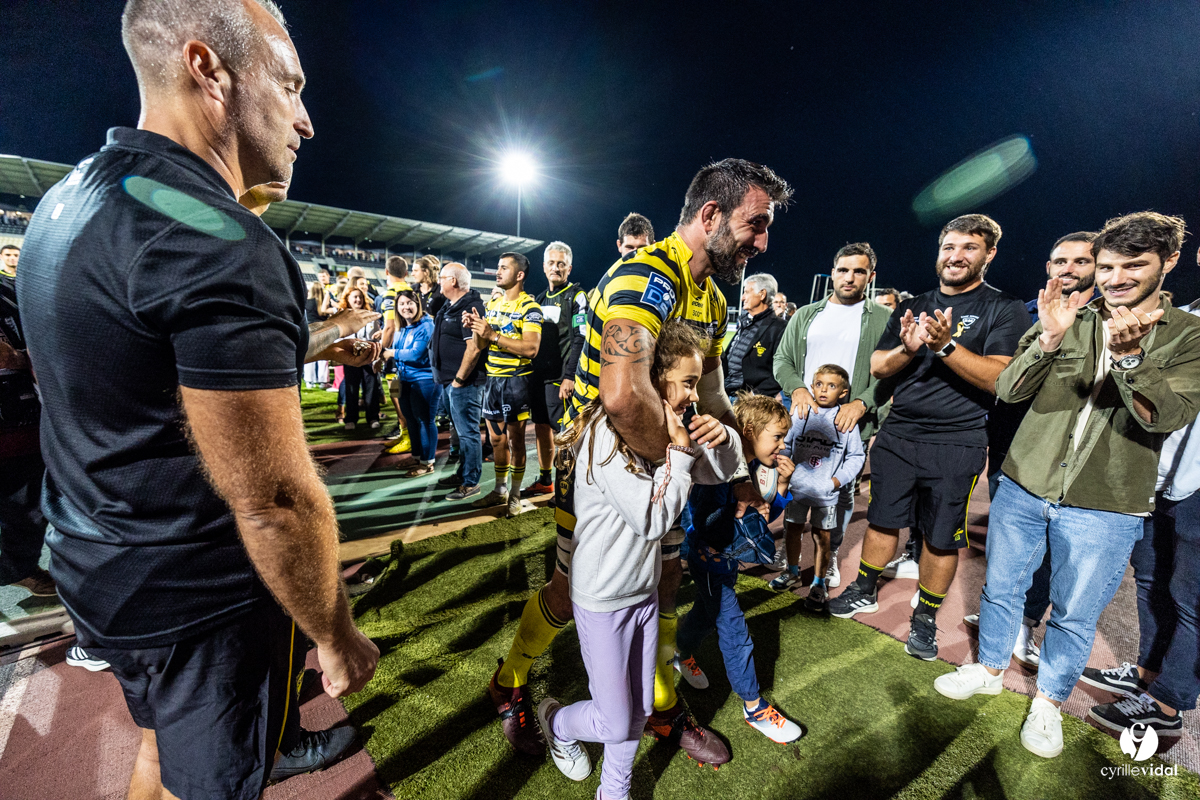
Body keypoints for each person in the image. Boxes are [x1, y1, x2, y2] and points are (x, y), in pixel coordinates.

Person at [16, 3, 380, 797]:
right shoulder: (220, 243)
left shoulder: (73, 196)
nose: (307, 121)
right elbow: (275, 501)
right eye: (290, 85)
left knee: (159, 749)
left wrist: (317, 340)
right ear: (208, 69)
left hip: (99, 563)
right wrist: (335, 633)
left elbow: (151, 353)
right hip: (197, 600)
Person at [489, 158, 792, 767]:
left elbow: (714, 398)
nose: (762, 242)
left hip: (662, 468)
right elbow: (624, 398)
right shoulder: (646, 274)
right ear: (711, 215)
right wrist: (680, 467)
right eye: (755, 224)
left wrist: (737, 476)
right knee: (571, 593)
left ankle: (661, 704)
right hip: (598, 470)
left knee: (665, 583)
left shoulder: (711, 298)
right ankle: (510, 680)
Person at [934, 211, 1200, 759]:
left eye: (1133, 265)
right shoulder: (1070, 312)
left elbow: (1168, 417)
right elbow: (1010, 388)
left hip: (1108, 501)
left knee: (1075, 613)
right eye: (1107, 266)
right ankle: (989, 669)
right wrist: (1049, 339)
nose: (1115, 278)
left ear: (1169, 262)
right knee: (1001, 588)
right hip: (1025, 480)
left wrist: (1130, 359)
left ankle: (1048, 703)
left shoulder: (1188, 333)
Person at [539, 319, 737, 795]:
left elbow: (722, 472)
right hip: (603, 599)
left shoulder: (668, 428)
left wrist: (724, 437)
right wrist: (682, 456)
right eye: (687, 383)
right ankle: (557, 723)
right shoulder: (606, 435)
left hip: (642, 593)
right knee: (613, 719)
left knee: (640, 707)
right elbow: (652, 520)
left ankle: (615, 790)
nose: (694, 395)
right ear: (654, 379)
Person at [829, 215, 1030, 666]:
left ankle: (925, 616)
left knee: (941, 537)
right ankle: (864, 589)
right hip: (899, 434)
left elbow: (1000, 378)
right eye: (948, 247)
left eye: (969, 247)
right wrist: (909, 348)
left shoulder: (1004, 308)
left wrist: (946, 347)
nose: (956, 256)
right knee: (881, 520)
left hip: (956, 441)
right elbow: (878, 367)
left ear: (989, 254)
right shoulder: (914, 304)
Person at [963, 231, 1099, 669]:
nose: (1068, 269)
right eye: (1060, 261)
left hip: (1066, 457)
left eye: (1080, 261)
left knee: (1052, 552)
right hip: (1010, 448)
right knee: (1008, 547)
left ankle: (1024, 624)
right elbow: (1003, 382)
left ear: (1098, 267)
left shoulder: (1107, 320)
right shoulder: (1023, 313)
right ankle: (999, 620)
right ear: (1048, 267)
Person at [1082, 301, 1200, 741]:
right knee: (1150, 579)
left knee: (1193, 600)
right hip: (1156, 474)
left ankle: (1168, 702)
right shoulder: (1180, 317)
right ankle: (1149, 674)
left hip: (1196, 482)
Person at [676, 393, 804, 743]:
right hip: (710, 563)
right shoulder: (719, 468)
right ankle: (753, 707)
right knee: (734, 632)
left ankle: (680, 651)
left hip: (725, 564)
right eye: (777, 436)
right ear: (748, 432)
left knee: (705, 616)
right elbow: (705, 524)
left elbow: (761, 519)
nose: (783, 445)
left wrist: (781, 488)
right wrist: (740, 517)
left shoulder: (758, 469)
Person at [772, 242, 892, 587]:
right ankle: (791, 553)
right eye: (843, 270)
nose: (849, 277)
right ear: (833, 272)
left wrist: (862, 403)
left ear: (870, 276)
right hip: (803, 422)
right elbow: (782, 360)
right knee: (794, 482)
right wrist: (797, 388)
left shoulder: (883, 318)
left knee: (841, 492)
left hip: (849, 423)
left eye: (858, 271)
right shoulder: (806, 314)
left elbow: (893, 372)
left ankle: (831, 554)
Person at [768, 365, 865, 606]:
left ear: (843, 392)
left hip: (826, 495)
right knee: (792, 531)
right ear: (811, 387)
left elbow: (856, 457)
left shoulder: (846, 420)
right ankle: (792, 572)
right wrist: (786, 471)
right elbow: (785, 444)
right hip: (797, 490)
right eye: (819, 384)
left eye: (831, 386)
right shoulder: (800, 413)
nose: (823, 390)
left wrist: (835, 481)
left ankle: (819, 583)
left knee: (822, 538)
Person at [463, 252, 543, 517]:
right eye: (498, 267)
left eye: (504, 268)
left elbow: (531, 349)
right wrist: (476, 329)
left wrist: (493, 335)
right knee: (496, 440)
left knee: (515, 441)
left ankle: (515, 494)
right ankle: (499, 490)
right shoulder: (493, 304)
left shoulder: (530, 307)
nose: (497, 272)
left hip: (515, 382)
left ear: (519, 275)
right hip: (492, 380)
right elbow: (482, 344)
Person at [0, 253, 54, 598]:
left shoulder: (12, 290)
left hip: (20, 425)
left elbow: (45, 345)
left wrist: (16, 358)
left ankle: (19, 568)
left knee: (27, 507)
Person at [525, 241, 587, 498]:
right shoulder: (538, 299)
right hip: (538, 377)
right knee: (541, 427)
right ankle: (545, 480)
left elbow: (580, 338)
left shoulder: (576, 296)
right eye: (551, 263)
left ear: (569, 268)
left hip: (560, 379)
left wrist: (570, 376)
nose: (556, 268)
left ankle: (568, 487)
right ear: (544, 266)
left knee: (564, 433)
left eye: (561, 264)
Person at [431, 263, 487, 500]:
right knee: (460, 433)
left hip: (464, 383)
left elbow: (473, 348)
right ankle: (463, 473)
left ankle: (471, 482)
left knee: (468, 433)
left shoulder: (471, 307)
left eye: (442, 277)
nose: (438, 282)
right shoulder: (450, 304)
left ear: (453, 281)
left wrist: (458, 380)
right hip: (450, 382)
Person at [384, 290, 439, 475]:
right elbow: (398, 350)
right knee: (411, 420)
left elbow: (416, 354)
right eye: (401, 304)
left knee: (425, 420)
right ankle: (417, 457)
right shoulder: (403, 327)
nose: (405, 307)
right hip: (405, 380)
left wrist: (391, 353)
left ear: (418, 305)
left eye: (409, 303)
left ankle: (427, 463)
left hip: (425, 380)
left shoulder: (427, 326)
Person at [723, 272, 787, 400]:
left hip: (749, 401)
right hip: (726, 395)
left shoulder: (780, 328)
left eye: (746, 292)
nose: (742, 298)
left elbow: (783, 368)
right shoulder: (746, 322)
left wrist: (755, 395)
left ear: (762, 294)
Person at [377, 256, 413, 451]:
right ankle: (405, 434)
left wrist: (380, 353)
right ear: (406, 273)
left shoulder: (390, 293)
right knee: (405, 395)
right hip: (410, 349)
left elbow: (390, 327)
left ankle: (407, 436)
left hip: (395, 352)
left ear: (386, 272)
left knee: (397, 394)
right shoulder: (413, 290)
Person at [337, 288, 381, 430]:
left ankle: (373, 417)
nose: (358, 300)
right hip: (350, 357)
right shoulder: (341, 316)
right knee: (351, 388)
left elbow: (375, 337)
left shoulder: (370, 316)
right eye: (354, 297)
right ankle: (351, 419)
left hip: (368, 356)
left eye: (360, 297)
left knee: (371, 388)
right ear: (347, 299)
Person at [411, 254, 446, 319]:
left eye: (415, 271)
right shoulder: (412, 290)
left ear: (426, 271)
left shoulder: (441, 291)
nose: (412, 274)